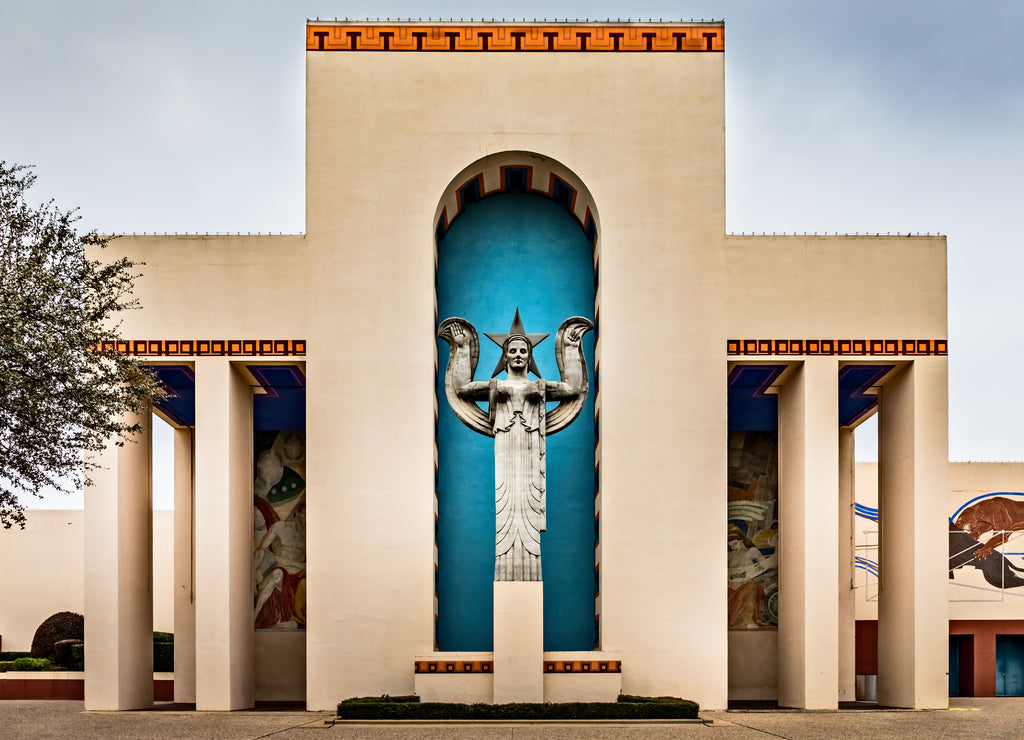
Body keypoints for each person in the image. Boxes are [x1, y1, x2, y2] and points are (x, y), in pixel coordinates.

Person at [439, 312, 591, 581]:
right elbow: (461, 388)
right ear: (505, 357)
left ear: (530, 358)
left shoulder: (539, 386)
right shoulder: (496, 386)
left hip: (531, 455)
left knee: (529, 511)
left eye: (523, 351)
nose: (518, 355)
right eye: (513, 351)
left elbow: (573, 389)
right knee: (505, 509)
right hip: (506, 454)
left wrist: (570, 347)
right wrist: (461, 347)